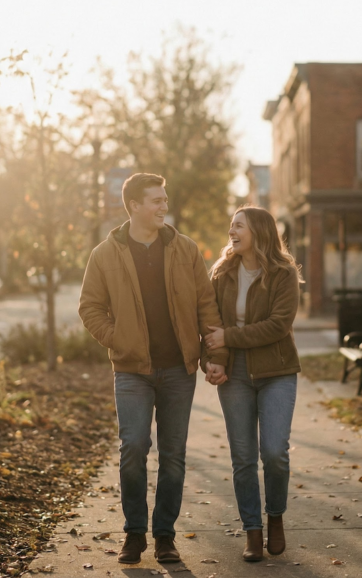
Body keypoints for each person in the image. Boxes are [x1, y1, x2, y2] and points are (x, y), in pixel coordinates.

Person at [78, 173, 228, 566]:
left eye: (165, 199)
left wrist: (216, 355)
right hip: (132, 370)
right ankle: (134, 533)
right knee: (133, 447)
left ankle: (164, 536)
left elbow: (206, 305)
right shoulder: (105, 254)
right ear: (134, 206)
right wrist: (118, 339)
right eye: (156, 200)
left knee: (173, 454)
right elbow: (89, 307)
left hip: (179, 368)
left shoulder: (185, 249)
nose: (164, 206)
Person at [205, 205, 301, 562]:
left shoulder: (283, 273)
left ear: (259, 231)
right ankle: (252, 530)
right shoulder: (222, 272)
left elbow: (278, 325)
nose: (232, 231)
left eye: (239, 226)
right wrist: (213, 360)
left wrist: (229, 337)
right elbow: (210, 325)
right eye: (231, 225)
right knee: (243, 458)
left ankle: (275, 516)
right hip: (235, 374)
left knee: (274, 452)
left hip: (276, 371)